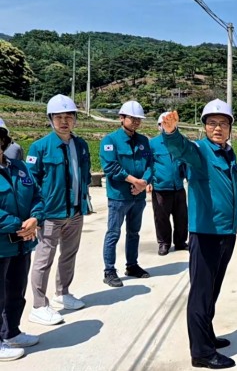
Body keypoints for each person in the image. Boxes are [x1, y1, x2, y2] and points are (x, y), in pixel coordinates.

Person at [161, 99, 237, 370]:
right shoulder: (200, 151)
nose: (218, 128)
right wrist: (170, 133)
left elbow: (232, 191)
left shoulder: (228, 152)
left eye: (223, 123)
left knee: (212, 290)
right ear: (204, 127)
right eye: (212, 123)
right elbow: (181, 148)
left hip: (226, 232)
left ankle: (207, 336)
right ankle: (201, 352)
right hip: (206, 233)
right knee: (201, 293)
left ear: (230, 128)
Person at [26, 95, 92, 325]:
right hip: (50, 214)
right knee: (44, 259)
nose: (64, 121)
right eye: (59, 117)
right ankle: (39, 305)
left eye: (69, 117)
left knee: (69, 255)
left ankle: (62, 293)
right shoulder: (40, 147)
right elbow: (31, 183)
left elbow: (84, 175)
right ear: (51, 119)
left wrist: (85, 202)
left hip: (75, 212)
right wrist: (36, 213)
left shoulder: (81, 145)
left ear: (74, 119)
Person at [0, 120, 44, 361]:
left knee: (16, 291)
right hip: (3, 243)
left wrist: (35, 217)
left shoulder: (18, 167)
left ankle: (11, 332)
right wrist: (20, 225)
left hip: (22, 244)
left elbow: (37, 194)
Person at [99, 100, 153, 288]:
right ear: (121, 118)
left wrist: (143, 182)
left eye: (139, 119)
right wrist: (135, 181)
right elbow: (111, 167)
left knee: (134, 232)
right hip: (119, 196)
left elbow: (149, 165)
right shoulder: (110, 141)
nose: (136, 121)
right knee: (113, 233)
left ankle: (132, 265)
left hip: (138, 196)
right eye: (132, 118)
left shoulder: (143, 141)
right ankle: (109, 270)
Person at [149, 112, 188, 256]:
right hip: (160, 187)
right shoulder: (152, 144)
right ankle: (164, 243)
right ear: (159, 126)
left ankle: (180, 242)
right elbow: (147, 164)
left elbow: (186, 163)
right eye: (162, 124)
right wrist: (149, 181)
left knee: (182, 217)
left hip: (178, 186)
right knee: (161, 217)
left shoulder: (181, 141)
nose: (165, 126)